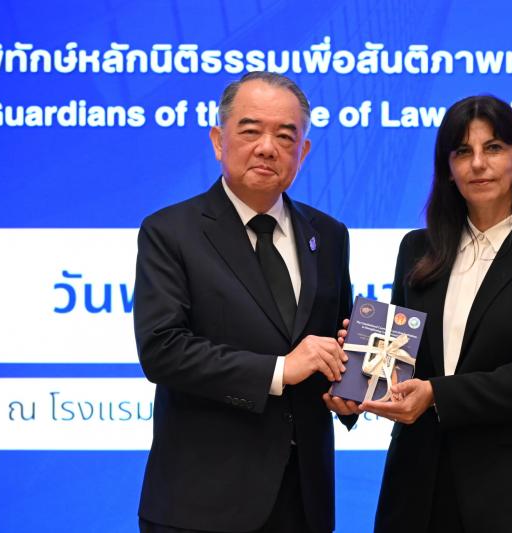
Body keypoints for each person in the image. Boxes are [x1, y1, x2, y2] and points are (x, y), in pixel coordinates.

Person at [134, 71, 358, 533]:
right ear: (219, 141)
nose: (267, 148)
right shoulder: (170, 232)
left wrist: (351, 390)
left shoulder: (329, 235)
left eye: (285, 136)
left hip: (304, 502)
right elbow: (163, 350)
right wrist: (279, 370)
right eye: (251, 130)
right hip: (201, 505)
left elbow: (337, 342)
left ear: (303, 152)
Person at [360, 95, 512, 532]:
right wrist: (356, 383)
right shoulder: (417, 249)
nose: (478, 164)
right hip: (417, 489)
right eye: (463, 151)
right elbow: (398, 359)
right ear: (448, 168)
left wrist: (437, 394)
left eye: (494, 148)